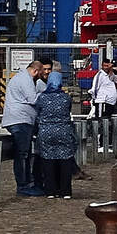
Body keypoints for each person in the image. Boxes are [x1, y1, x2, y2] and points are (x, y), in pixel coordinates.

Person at [3, 59, 45, 196]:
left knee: (25, 153)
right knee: (22, 154)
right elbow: (33, 99)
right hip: (20, 119)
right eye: (40, 74)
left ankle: (28, 182)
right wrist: (45, 94)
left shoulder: (20, 78)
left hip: (20, 119)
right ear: (35, 71)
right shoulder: (25, 79)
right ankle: (23, 185)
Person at [33, 70, 77, 198]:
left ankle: (51, 191)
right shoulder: (66, 98)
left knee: (48, 160)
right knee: (65, 160)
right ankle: (65, 191)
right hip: (63, 131)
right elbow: (68, 112)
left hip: (46, 132)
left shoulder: (42, 98)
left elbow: (38, 113)